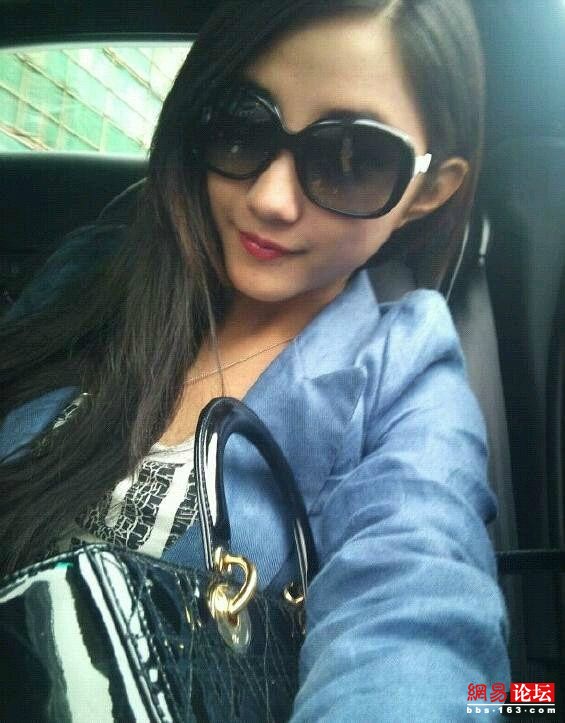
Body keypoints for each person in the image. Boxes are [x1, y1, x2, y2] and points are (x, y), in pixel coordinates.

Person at [0, 0, 510, 718]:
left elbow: (413, 619)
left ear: (427, 191)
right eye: (244, 125)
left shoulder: (406, 373)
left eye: (351, 160)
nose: (271, 199)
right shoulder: (97, 272)